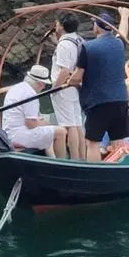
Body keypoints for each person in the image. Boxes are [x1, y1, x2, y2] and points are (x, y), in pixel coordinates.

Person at [74, 12, 129, 161]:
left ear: (96, 28)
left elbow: (77, 76)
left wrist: (69, 82)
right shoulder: (119, 43)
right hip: (121, 99)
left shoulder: (87, 47)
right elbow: (123, 33)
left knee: (93, 143)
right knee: (117, 140)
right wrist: (125, 16)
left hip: (99, 101)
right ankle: (118, 173)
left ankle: (94, 174)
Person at [48, 14, 86, 160]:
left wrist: (54, 89)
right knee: (77, 124)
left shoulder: (64, 44)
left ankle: (75, 160)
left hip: (64, 88)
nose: (55, 26)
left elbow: (64, 71)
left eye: (57, 24)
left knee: (69, 126)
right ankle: (83, 157)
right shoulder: (79, 40)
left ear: (62, 26)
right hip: (76, 87)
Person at [0, 65, 59, 157]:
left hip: (8, 132)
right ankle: (62, 163)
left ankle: (53, 159)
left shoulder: (17, 87)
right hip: (18, 136)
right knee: (61, 132)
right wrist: (49, 123)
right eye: (44, 84)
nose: (43, 88)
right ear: (39, 83)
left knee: (48, 133)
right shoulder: (31, 94)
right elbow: (31, 124)